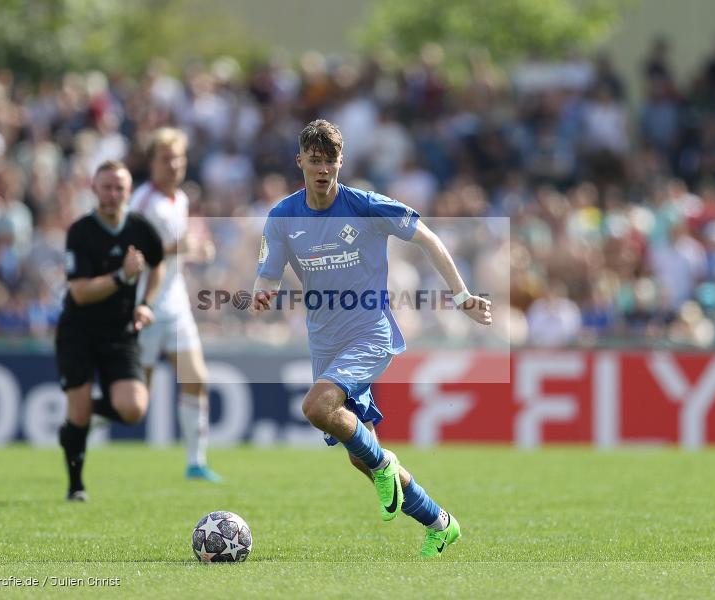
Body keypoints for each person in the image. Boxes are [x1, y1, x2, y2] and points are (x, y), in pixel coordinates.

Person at [251, 120, 492, 557]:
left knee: (317, 407)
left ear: (341, 162)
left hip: (369, 332)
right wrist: (262, 294)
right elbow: (266, 275)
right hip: (324, 341)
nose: (322, 169)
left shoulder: (364, 205)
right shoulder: (283, 217)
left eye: (330, 161)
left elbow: (428, 238)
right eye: (315, 160)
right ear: (299, 161)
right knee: (358, 453)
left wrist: (462, 296)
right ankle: (440, 522)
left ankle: (385, 464)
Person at [56, 160, 165, 501]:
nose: (114, 193)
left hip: (120, 331)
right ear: (94, 188)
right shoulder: (81, 231)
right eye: (107, 186)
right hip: (80, 330)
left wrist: (146, 302)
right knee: (79, 413)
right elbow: (80, 292)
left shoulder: (140, 228)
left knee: (133, 408)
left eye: (120, 187)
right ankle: (76, 486)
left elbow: (158, 265)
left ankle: (80, 416)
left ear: (129, 191)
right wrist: (122, 275)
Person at [128, 127, 220, 481]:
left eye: (178, 158)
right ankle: (81, 427)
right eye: (166, 159)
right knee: (134, 404)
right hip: (144, 305)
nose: (174, 165)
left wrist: (194, 248)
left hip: (176, 302)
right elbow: (134, 254)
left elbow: (176, 248)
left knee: (196, 378)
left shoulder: (178, 199)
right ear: (152, 162)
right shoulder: (142, 202)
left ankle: (196, 463)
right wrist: (185, 248)